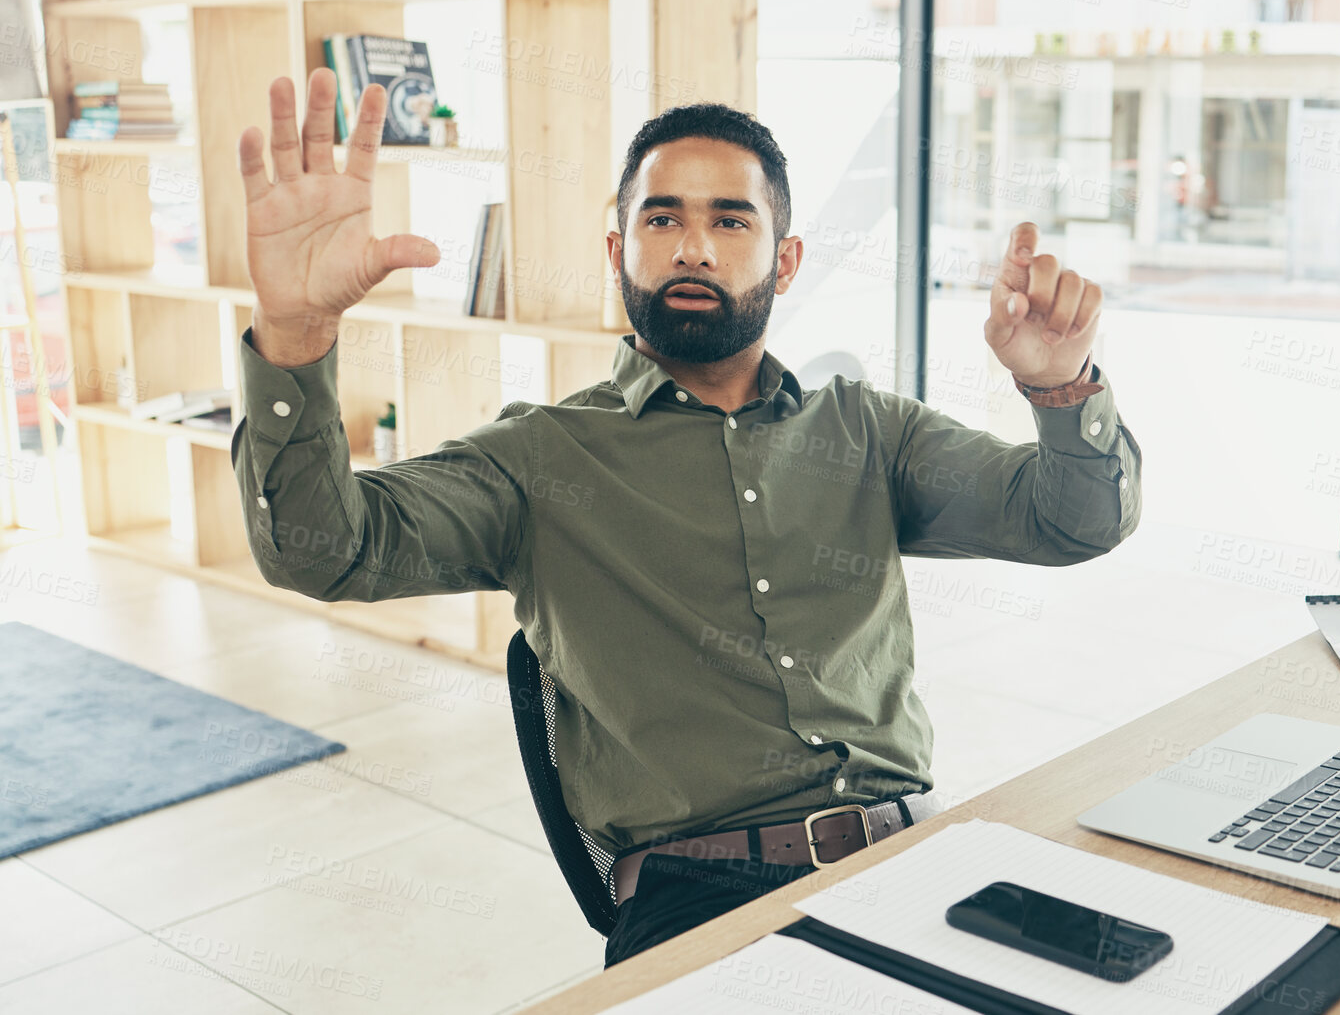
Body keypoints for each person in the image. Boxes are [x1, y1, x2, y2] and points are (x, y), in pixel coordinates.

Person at [231, 68, 1144, 965]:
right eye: (661, 217)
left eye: (730, 221)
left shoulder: (868, 431)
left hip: (915, 856)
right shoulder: (540, 458)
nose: (692, 248)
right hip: (697, 904)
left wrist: (1061, 387)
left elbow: (1070, 522)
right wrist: (296, 340)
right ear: (617, 250)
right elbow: (324, 551)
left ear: (785, 261)